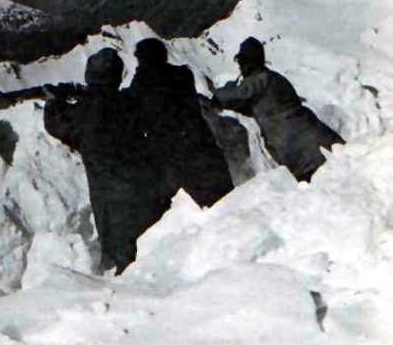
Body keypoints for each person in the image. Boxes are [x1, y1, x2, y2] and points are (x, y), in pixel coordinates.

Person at [44, 48, 168, 275]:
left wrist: (54, 101)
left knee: (121, 247)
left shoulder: (84, 110)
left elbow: (57, 125)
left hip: (109, 188)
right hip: (144, 182)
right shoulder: (129, 101)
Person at [208, 37, 344, 182]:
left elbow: (234, 96)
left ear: (247, 62)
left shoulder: (258, 81)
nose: (240, 66)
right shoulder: (276, 78)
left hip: (294, 144)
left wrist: (216, 95)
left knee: (317, 183)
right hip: (316, 133)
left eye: (241, 61)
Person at [127, 38, 234, 207]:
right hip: (201, 145)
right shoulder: (183, 75)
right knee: (227, 200)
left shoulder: (140, 86)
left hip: (173, 156)